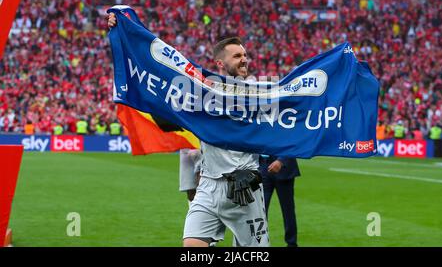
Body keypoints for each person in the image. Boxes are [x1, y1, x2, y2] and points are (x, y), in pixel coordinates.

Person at [108, 13, 269, 247]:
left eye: (245, 55)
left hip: (244, 187)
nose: (244, 59)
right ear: (220, 64)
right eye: (237, 56)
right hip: (208, 186)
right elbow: (167, 122)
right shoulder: (202, 93)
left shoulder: (259, 93)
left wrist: (266, 165)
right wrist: (123, 30)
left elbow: (279, 131)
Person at [259, 155, 300, 247]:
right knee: (260, 210)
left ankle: (291, 243)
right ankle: (258, 243)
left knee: (288, 210)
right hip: (262, 167)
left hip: (284, 169)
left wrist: (281, 161)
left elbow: (292, 143)